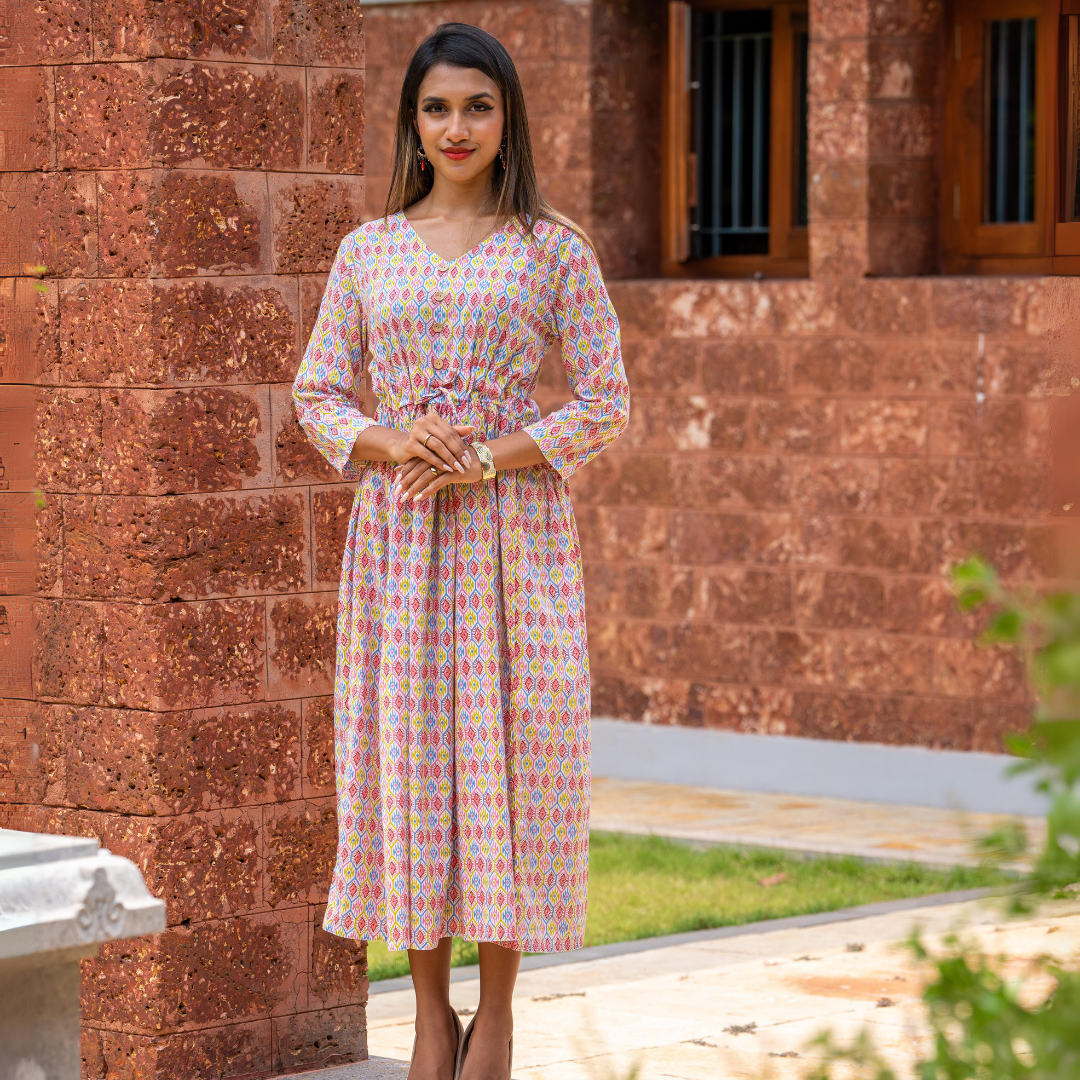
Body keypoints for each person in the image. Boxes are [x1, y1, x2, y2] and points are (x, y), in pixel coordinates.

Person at [292, 21, 629, 1080]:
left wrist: (491, 456)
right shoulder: (367, 251)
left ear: (508, 117)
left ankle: (502, 1008)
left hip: (513, 546)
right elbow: (315, 393)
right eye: (437, 107)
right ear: (412, 121)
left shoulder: (552, 248)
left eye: (477, 106)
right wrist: (389, 440)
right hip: (399, 547)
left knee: (512, 762)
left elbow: (606, 402)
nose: (456, 127)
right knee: (413, 768)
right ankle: (430, 1012)